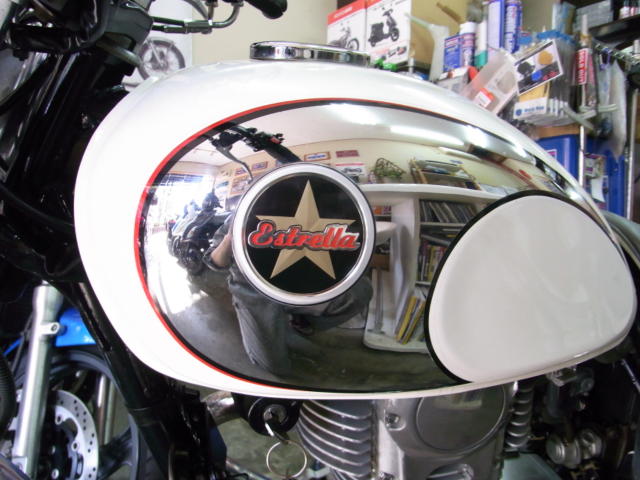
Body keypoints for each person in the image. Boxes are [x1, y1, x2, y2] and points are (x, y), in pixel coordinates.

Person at [203, 216, 372, 378]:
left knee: (360, 291)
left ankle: (299, 323)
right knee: (276, 366)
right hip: (254, 294)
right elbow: (215, 263)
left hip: (298, 284)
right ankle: (275, 328)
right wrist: (229, 239)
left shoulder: (312, 206)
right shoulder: (242, 213)